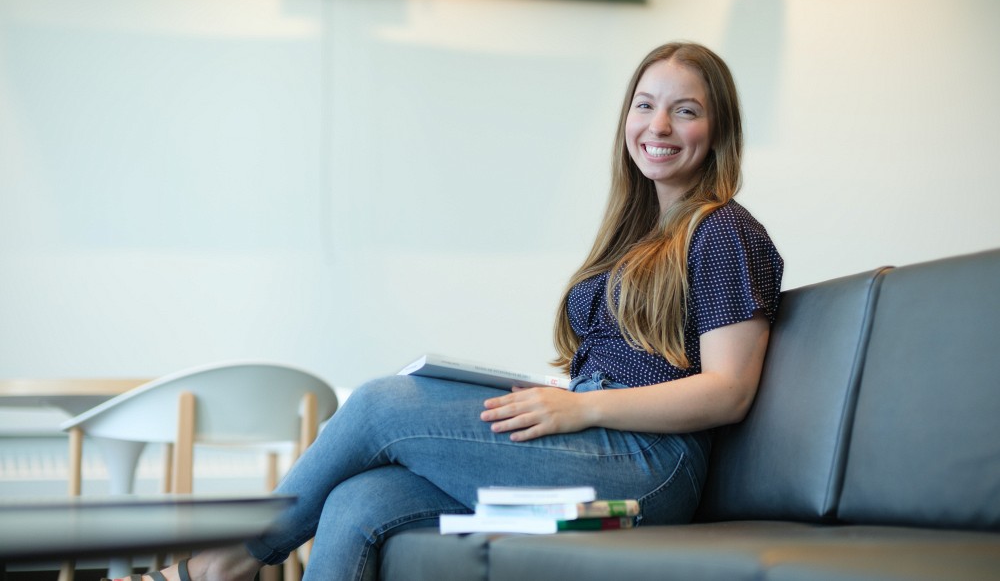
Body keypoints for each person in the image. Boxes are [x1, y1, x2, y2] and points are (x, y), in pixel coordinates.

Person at [119, 41, 783, 581]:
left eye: (685, 111)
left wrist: (582, 408)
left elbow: (729, 391)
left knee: (382, 405)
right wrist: (564, 397)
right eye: (645, 105)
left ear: (718, 128)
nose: (658, 126)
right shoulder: (635, 234)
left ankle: (220, 562)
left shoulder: (722, 230)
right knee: (361, 499)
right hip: (598, 436)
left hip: (651, 465)